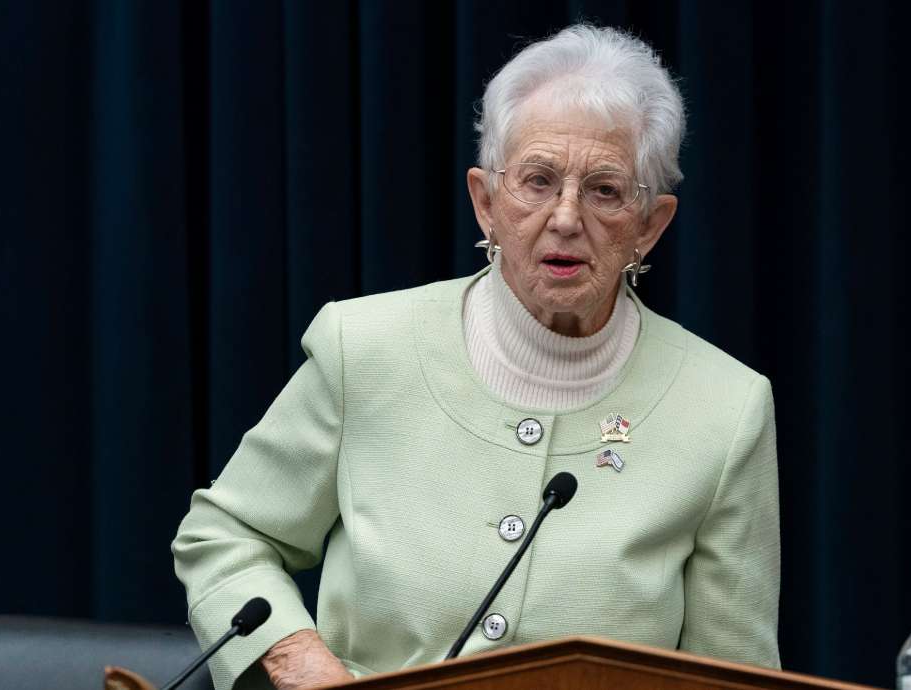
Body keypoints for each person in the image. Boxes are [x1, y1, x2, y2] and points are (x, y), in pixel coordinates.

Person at [172, 24, 780, 690]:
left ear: (652, 224)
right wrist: (304, 666)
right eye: (538, 181)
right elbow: (225, 535)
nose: (566, 217)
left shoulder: (725, 410)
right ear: (486, 203)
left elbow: (735, 675)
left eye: (605, 190)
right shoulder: (365, 350)